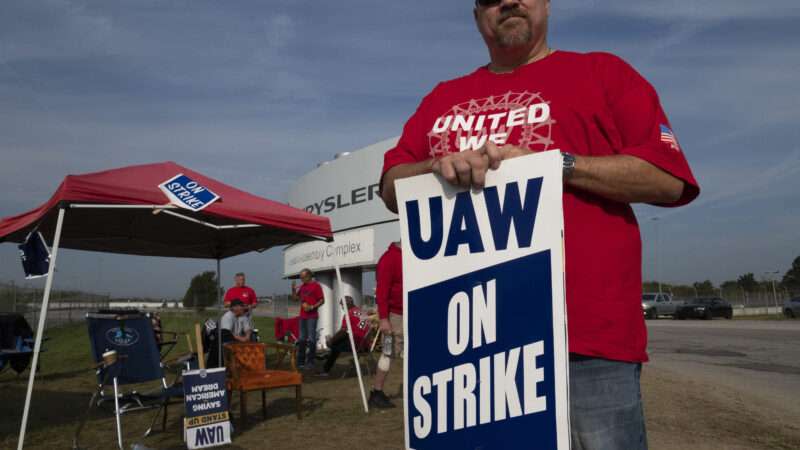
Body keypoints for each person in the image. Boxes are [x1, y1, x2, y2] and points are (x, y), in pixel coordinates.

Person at [379, 1, 699, 448]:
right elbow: (391, 184)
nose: (508, 1)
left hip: (586, 344)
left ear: (546, 5)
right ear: (476, 16)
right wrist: (435, 166)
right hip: (470, 353)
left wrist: (557, 164)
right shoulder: (441, 98)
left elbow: (668, 179)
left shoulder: (604, 73)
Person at [369, 241, 403, 409]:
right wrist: (383, 318)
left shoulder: (413, 257)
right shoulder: (388, 259)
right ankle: (377, 392)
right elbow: (382, 290)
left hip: (411, 312)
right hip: (394, 316)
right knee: (388, 352)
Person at [317, 296, 371, 377]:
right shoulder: (362, 312)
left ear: (347, 305)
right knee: (338, 341)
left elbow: (343, 332)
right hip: (366, 344)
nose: (342, 308)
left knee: (334, 345)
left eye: (342, 305)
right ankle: (327, 356)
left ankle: (325, 370)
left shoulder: (349, 314)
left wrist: (331, 341)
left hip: (357, 345)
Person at [292, 268, 325, 369]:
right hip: (302, 316)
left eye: (303, 277)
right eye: (300, 277)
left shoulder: (316, 286)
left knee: (311, 339)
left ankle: (310, 362)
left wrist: (312, 307)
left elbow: (322, 300)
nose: (301, 279)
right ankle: (301, 361)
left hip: (312, 316)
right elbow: (295, 299)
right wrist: (293, 290)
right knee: (301, 339)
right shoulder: (302, 286)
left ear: (309, 276)